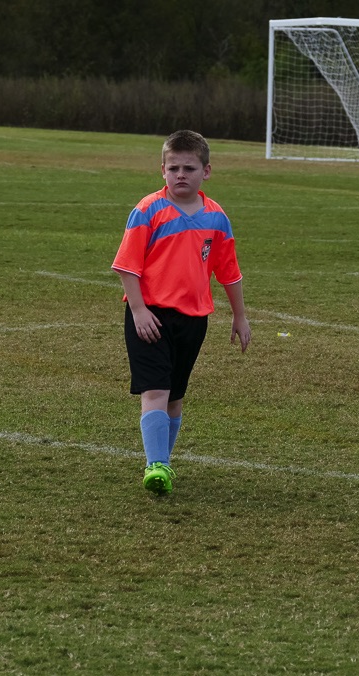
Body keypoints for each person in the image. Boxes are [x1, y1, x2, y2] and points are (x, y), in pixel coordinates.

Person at [112, 130, 251, 495]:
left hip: (193, 319)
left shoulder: (216, 218)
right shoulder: (148, 210)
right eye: (173, 168)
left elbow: (229, 272)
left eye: (189, 168)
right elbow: (127, 267)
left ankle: (163, 462)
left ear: (206, 171)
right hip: (150, 317)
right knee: (156, 391)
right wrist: (138, 310)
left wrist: (239, 316)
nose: (180, 175)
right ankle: (156, 465)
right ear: (163, 170)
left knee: (174, 397)